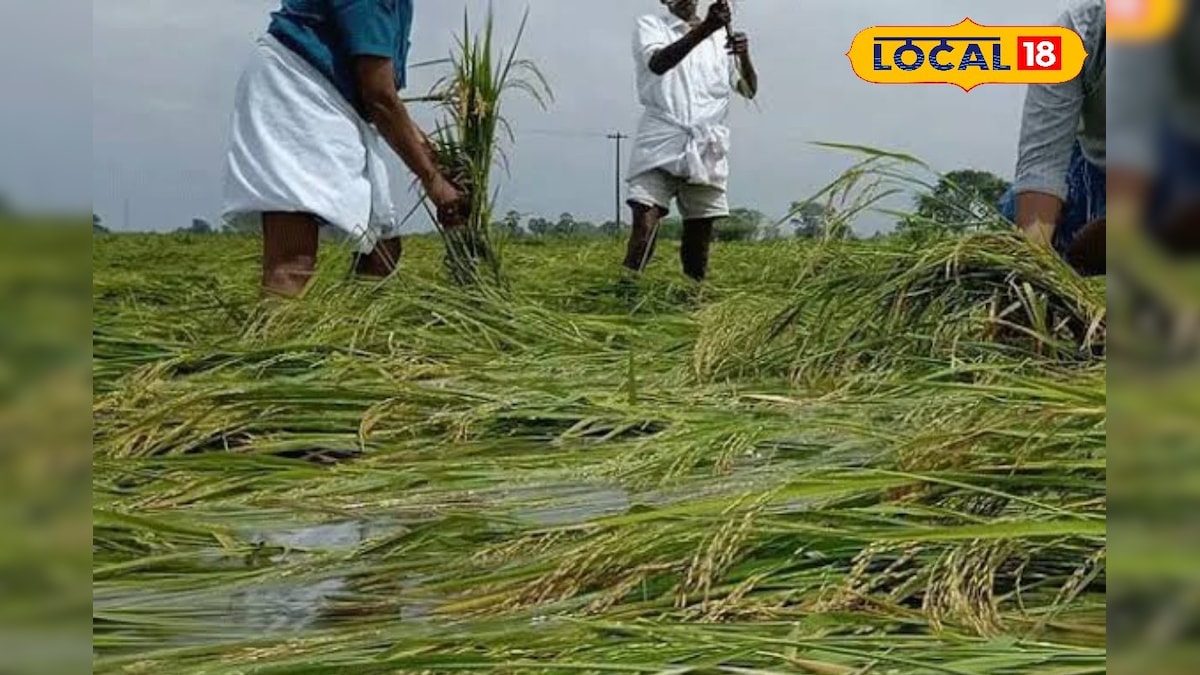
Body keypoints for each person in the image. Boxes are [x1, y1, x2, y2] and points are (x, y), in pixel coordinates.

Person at [222, 0, 465, 297]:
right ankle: (275, 339)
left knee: (382, 251)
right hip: (298, 89)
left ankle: (351, 335)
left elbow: (381, 96)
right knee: (293, 259)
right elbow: (379, 97)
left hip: (338, 102)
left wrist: (431, 154)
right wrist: (433, 181)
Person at [623, 0, 758, 282]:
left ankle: (692, 298)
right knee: (644, 227)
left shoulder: (722, 37)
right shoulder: (651, 26)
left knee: (699, 238)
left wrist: (743, 56)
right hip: (661, 139)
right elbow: (659, 63)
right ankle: (628, 288)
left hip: (706, 143)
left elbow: (749, 89)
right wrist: (707, 27)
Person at [999, 0, 1106, 271]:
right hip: (1095, 168)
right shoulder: (1070, 36)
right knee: (1014, 213)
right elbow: (1042, 165)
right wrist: (1037, 275)